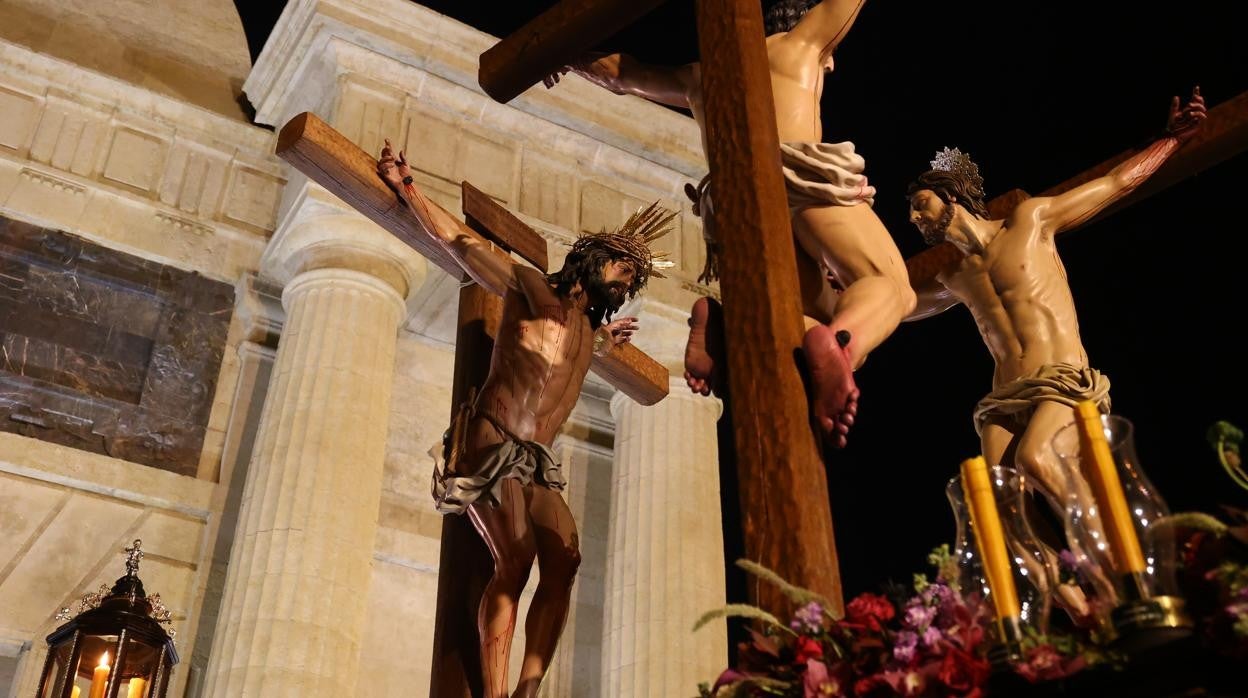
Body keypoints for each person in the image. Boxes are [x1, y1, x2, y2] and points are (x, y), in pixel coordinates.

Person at [545, 0, 915, 447]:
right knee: (891, 286)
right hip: (795, 176)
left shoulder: (698, 77)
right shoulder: (800, 45)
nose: (832, 62)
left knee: (811, 321)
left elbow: (623, 75)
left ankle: (727, 329)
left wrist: (564, 55)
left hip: (732, 203)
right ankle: (843, 346)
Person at [378, 140, 674, 698]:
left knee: (565, 558)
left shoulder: (591, 334)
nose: (627, 281)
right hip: (493, 438)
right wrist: (407, 187)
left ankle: (529, 687)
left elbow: (568, 364)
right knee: (514, 559)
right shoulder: (533, 289)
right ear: (591, 257)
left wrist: (606, 346)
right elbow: (462, 242)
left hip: (537, 460)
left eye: (635, 279)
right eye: (622, 267)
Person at [904, 89, 1206, 619]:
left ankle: (1117, 579)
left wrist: (1171, 141)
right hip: (1004, 396)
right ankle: (1075, 608)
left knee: (1036, 458)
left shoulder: (1029, 221)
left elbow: (1114, 183)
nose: (913, 217)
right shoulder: (951, 276)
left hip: (1061, 378)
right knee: (993, 508)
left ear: (950, 194)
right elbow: (894, 301)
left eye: (920, 203)